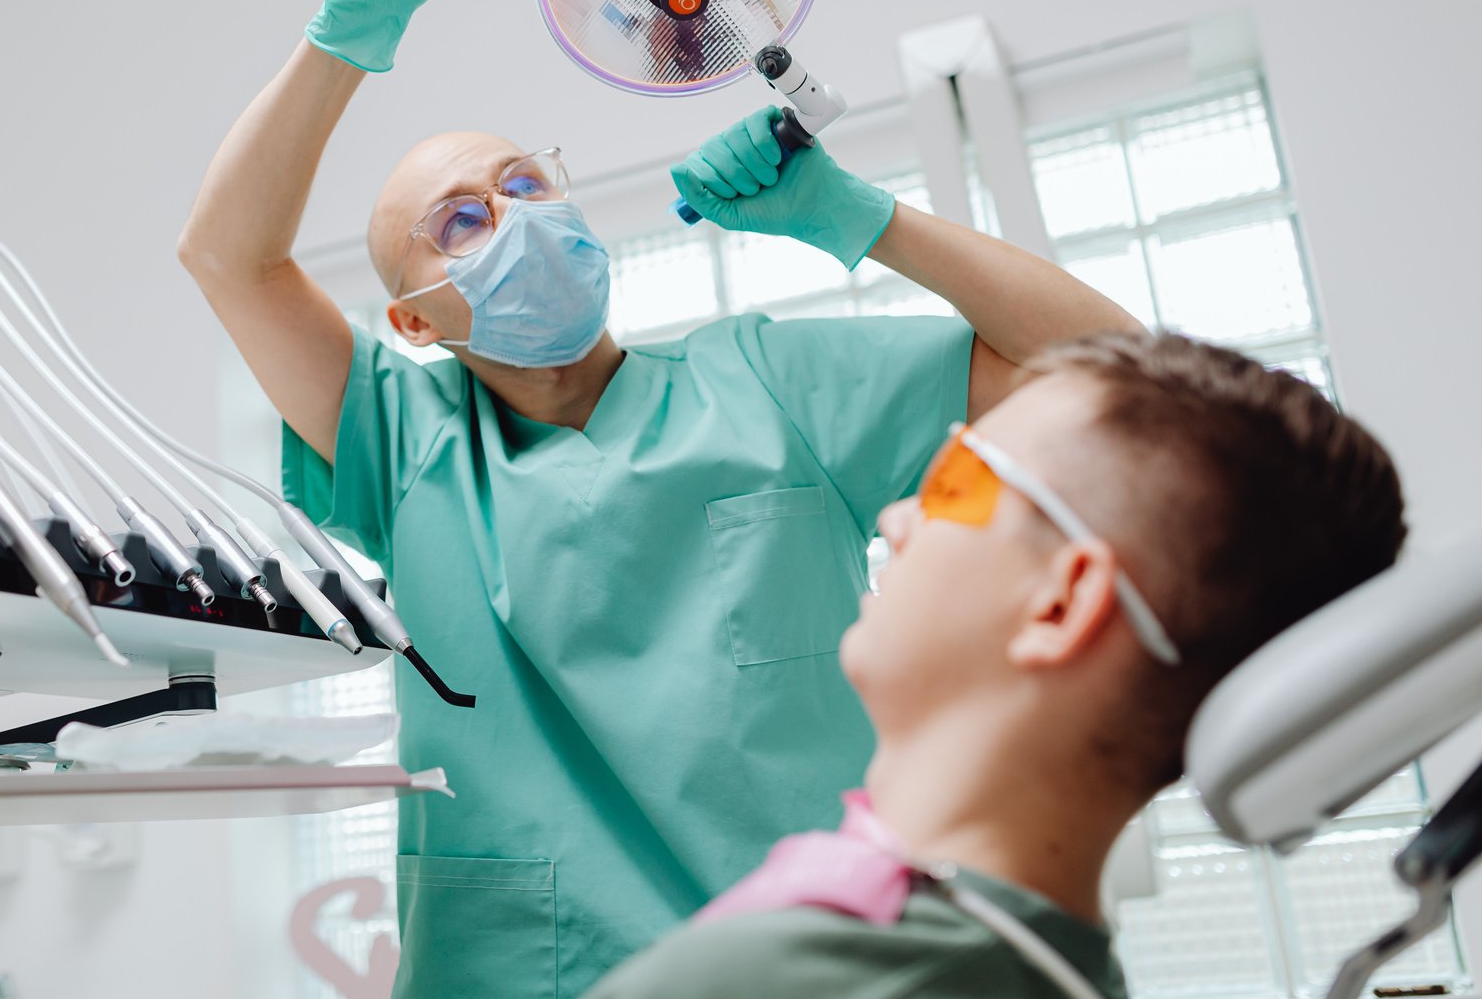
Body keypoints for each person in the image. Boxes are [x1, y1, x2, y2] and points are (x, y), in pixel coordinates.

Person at [176, 0, 1139, 999]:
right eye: (462, 223)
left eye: (526, 183)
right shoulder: (403, 440)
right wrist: (349, 31)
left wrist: (863, 218)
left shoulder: (769, 383)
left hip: (815, 968)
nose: (516, 217)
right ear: (418, 322)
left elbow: (1112, 371)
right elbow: (230, 256)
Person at [583, 333, 1407, 999]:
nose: (897, 516)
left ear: (1060, 604)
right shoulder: (1030, 966)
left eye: (957, 483)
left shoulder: (793, 979)